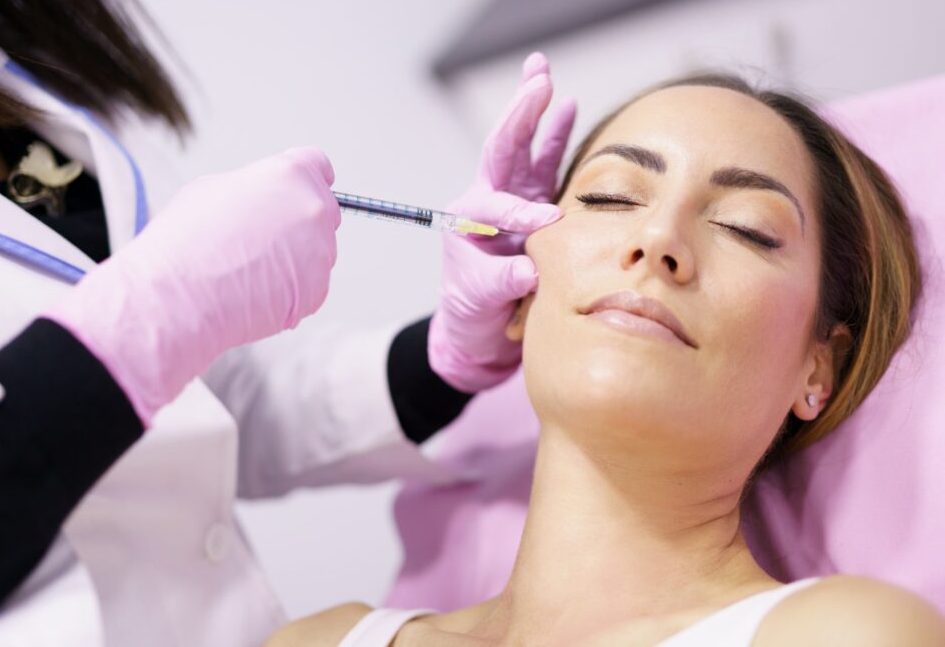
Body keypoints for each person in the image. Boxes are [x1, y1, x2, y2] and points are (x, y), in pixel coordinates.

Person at [0, 0, 573, 645]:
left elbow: (209, 401)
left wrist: (443, 360)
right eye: (615, 196)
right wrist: (154, 314)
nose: (652, 247)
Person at [271, 74, 945, 645]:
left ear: (817, 368)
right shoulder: (323, 639)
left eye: (747, 228)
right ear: (521, 288)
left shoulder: (844, 634)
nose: (657, 238)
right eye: (610, 197)